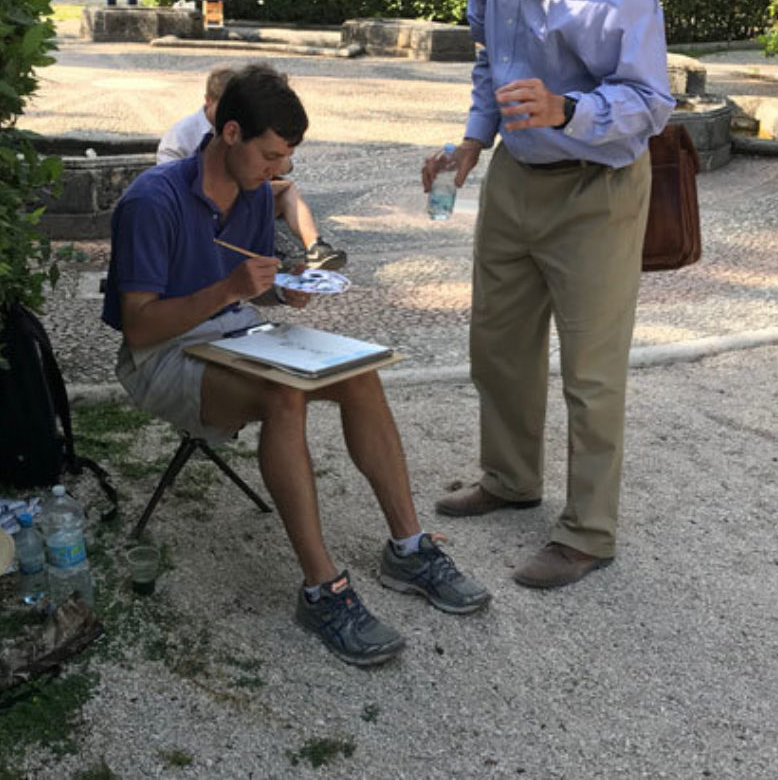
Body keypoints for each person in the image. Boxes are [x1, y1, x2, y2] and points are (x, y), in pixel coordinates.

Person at [105, 63, 490, 665]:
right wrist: (232, 289)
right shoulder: (152, 201)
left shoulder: (255, 192)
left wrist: (279, 291)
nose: (279, 171)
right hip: (162, 355)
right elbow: (139, 327)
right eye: (270, 155)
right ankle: (322, 590)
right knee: (282, 395)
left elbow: (247, 287)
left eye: (286, 158)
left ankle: (409, 548)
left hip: (235, 331)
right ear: (229, 132)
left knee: (358, 369)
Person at [422, 0, 674, 590]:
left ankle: (589, 534)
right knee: (496, 346)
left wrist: (566, 108)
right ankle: (510, 478)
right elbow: (485, 66)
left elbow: (651, 105)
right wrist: (470, 145)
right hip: (513, 180)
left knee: (591, 376)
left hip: (597, 190)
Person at [158, 65, 347, 272]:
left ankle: (315, 246)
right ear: (209, 101)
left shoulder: (256, 136)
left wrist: (280, 292)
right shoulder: (180, 138)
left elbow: (285, 166)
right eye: (269, 156)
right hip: (200, 204)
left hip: (243, 195)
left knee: (284, 188)